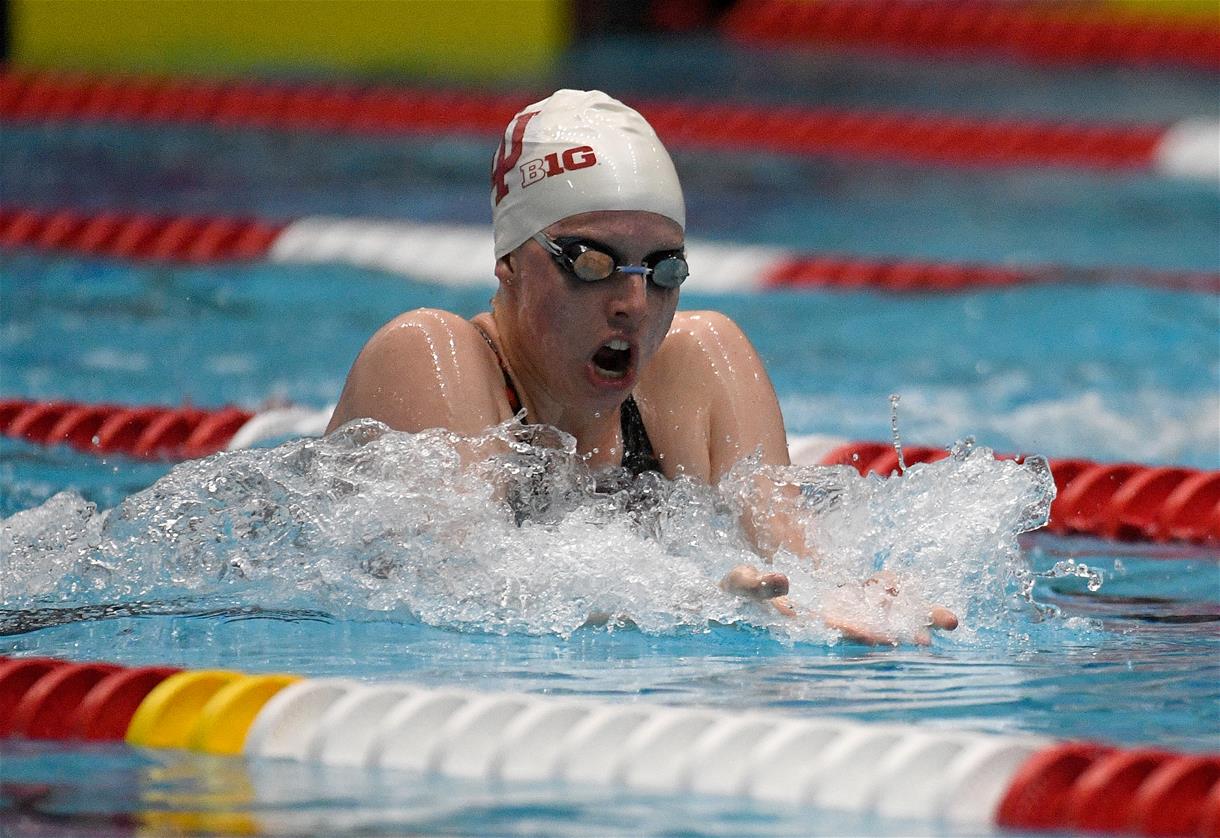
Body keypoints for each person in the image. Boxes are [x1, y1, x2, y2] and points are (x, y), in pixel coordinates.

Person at [327, 89, 956, 643]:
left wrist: (845, 600)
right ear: (511, 262)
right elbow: (462, 591)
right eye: (591, 263)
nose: (634, 305)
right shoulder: (428, 357)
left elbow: (794, 556)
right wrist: (692, 600)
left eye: (662, 270)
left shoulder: (699, 363)